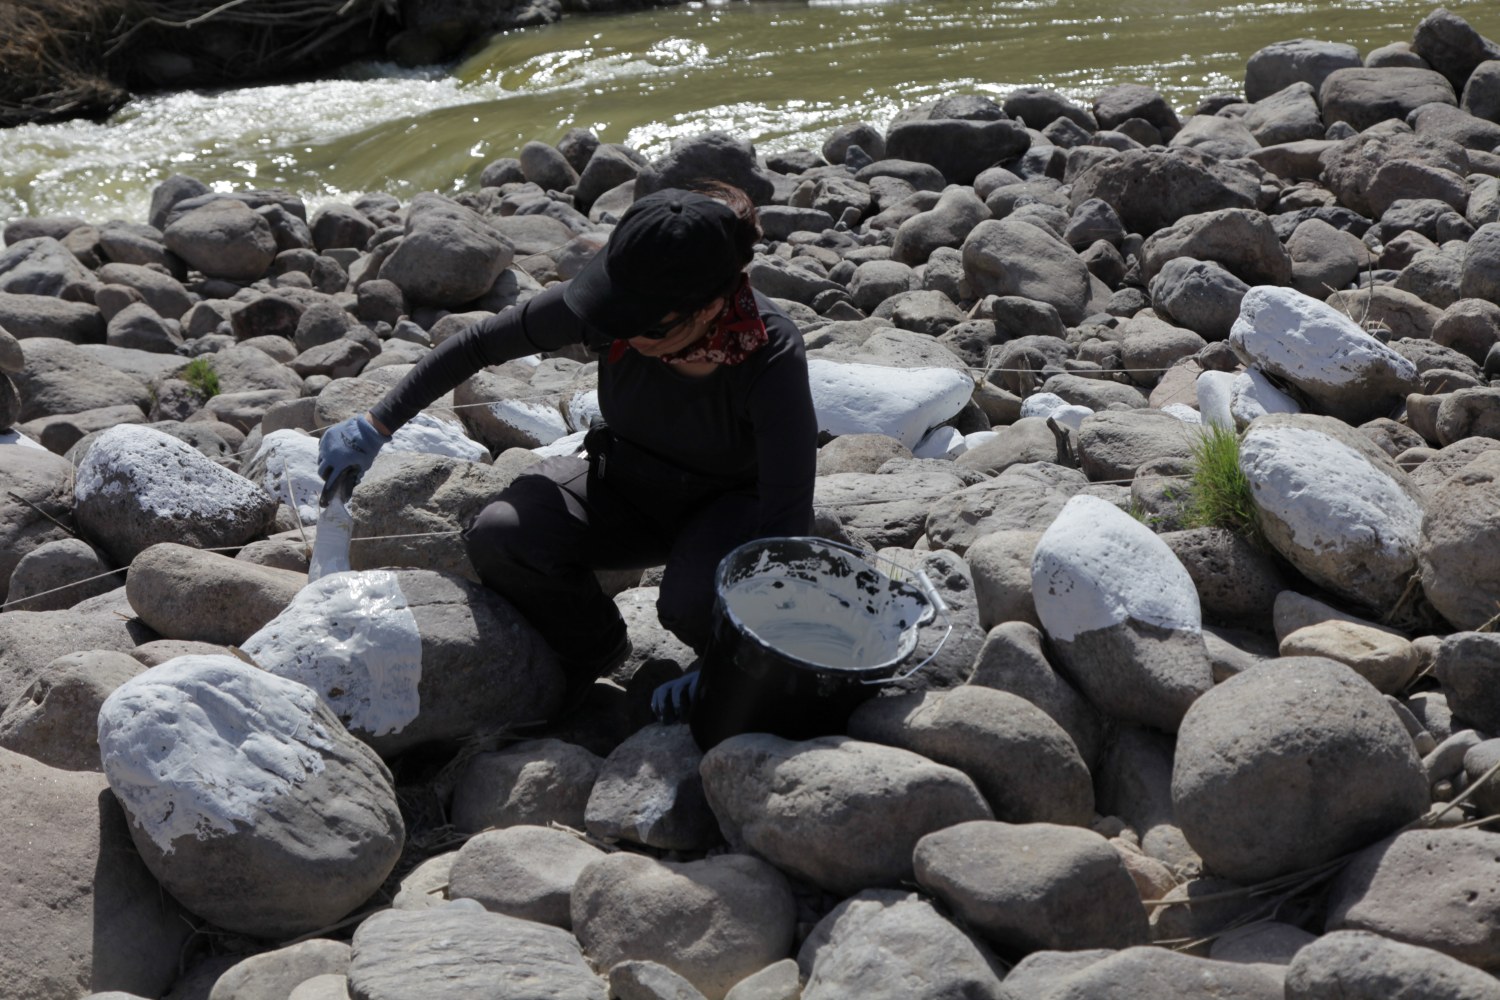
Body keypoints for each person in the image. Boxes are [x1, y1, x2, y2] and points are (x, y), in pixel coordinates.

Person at [317, 182, 819, 718]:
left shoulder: (771, 355)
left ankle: (719, 659)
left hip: (730, 509)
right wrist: (376, 424)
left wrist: (732, 658)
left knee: (692, 604)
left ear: (710, 307)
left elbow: (786, 520)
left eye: (645, 328)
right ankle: (594, 646)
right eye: (614, 317)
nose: (623, 335)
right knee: (503, 534)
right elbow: (478, 344)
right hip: (626, 485)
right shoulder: (617, 310)